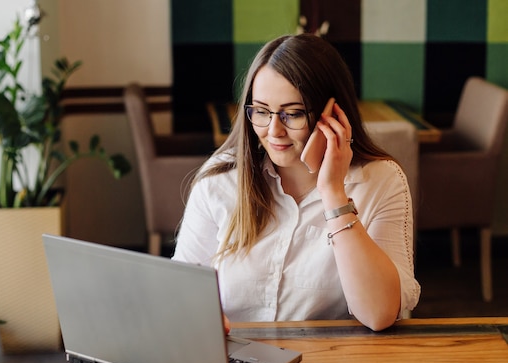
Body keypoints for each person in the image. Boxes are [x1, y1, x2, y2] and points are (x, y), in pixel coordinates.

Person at [172, 34, 420, 331]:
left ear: (333, 114)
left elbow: (379, 314)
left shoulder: (381, 181)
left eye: (293, 114)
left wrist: (333, 194)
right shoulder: (220, 179)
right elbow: (181, 292)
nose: (273, 130)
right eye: (261, 111)